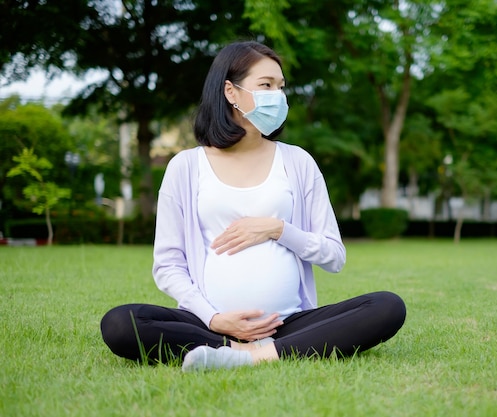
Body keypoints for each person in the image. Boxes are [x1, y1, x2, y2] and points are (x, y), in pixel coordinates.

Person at [100, 41, 406, 371]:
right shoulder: (186, 166)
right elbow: (168, 264)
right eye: (266, 85)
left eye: (281, 87)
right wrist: (215, 319)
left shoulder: (297, 161)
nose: (278, 95)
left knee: (388, 307)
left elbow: (334, 256)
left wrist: (279, 229)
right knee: (120, 323)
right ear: (231, 91)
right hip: (208, 326)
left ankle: (252, 356)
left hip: (286, 326)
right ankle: (228, 348)